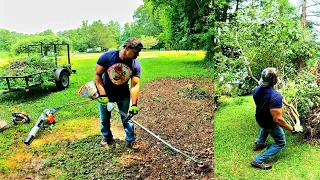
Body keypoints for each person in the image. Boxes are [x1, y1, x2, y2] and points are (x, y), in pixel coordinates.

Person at [94, 38, 143, 151]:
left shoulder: (135, 65)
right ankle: (106, 137)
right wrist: (102, 95)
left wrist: (134, 104)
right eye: (136, 52)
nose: (137, 55)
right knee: (104, 118)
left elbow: (135, 85)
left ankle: (130, 139)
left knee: (127, 118)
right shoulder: (107, 57)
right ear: (127, 48)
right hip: (106, 94)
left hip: (123, 95)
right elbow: (97, 75)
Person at [250, 67, 303, 170]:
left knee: (264, 126)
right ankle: (258, 160)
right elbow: (277, 119)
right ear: (274, 81)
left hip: (259, 118)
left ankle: (259, 144)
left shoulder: (255, 90)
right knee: (281, 142)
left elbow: (264, 102)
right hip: (269, 122)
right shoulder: (275, 96)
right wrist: (292, 128)